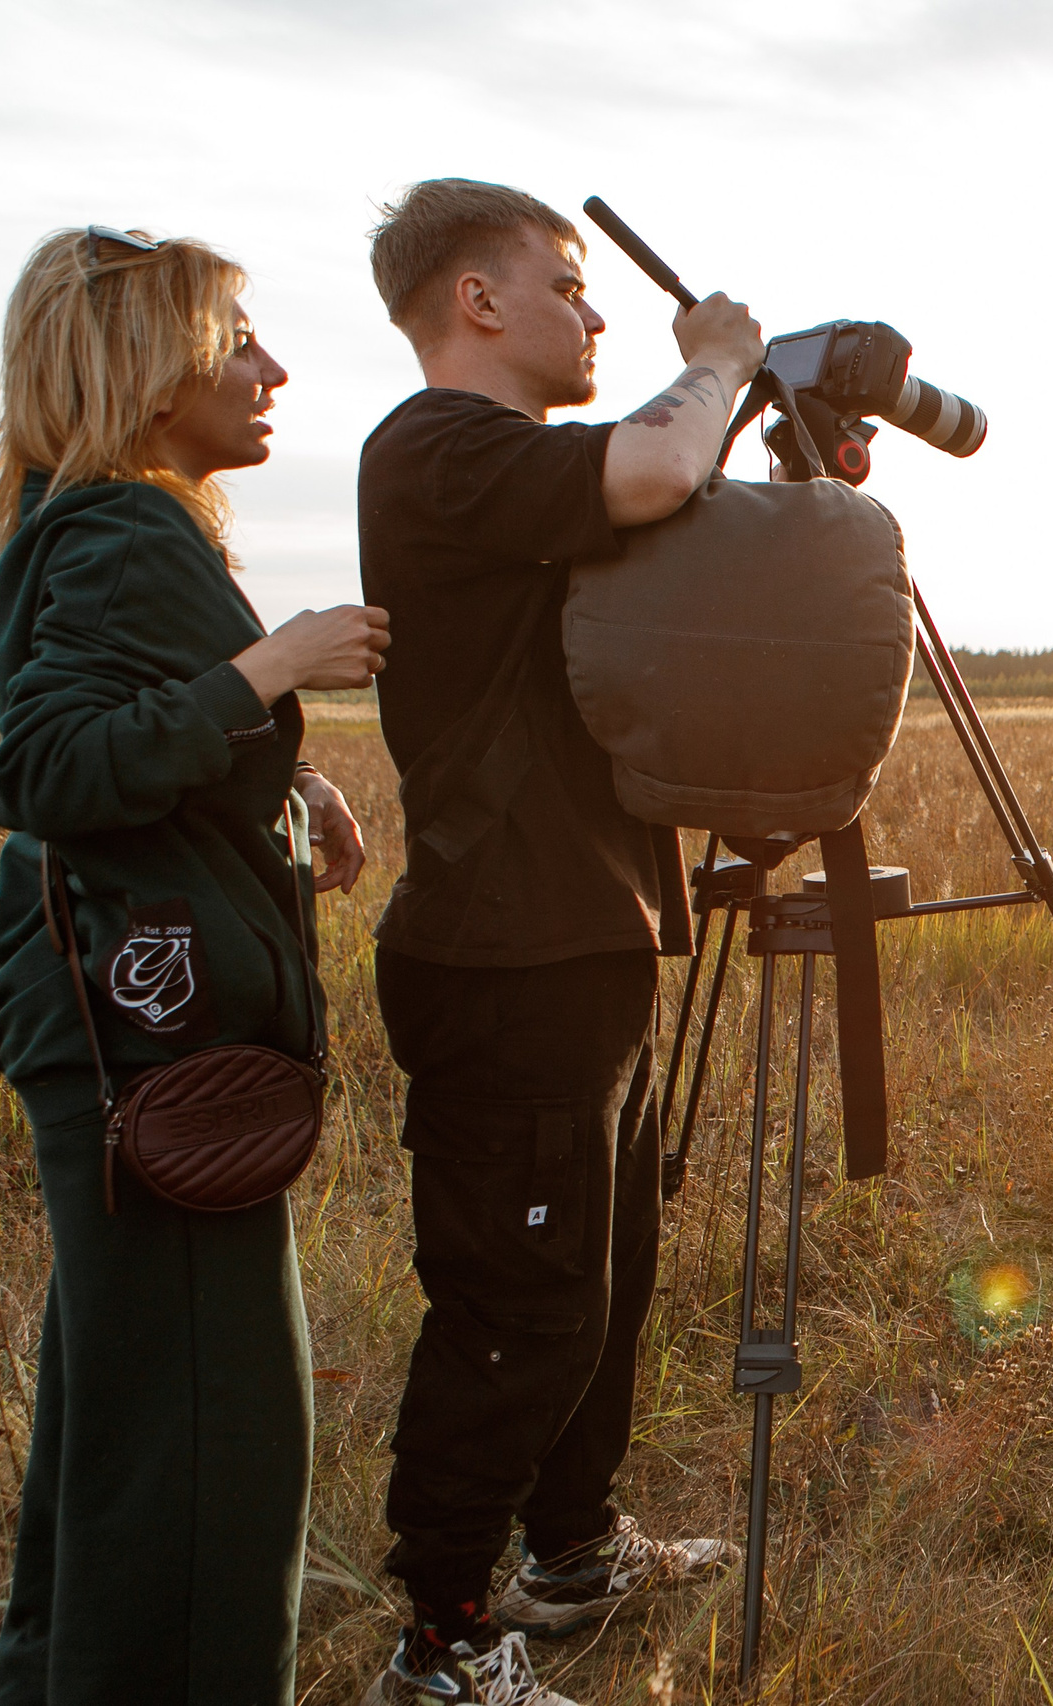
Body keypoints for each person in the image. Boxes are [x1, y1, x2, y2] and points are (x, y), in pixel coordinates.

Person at [355, 179, 762, 1703]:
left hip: (582, 935)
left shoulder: (514, 475)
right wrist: (716, 355)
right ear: (478, 301)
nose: (598, 316)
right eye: (573, 286)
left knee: (605, 1273)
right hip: (505, 949)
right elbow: (659, 461)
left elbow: (673, 515)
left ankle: (571, 1550)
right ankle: (444, 1640)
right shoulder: (442, 450)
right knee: (521, 1304)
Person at [0, 226, 389, 1703]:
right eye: (236, 345)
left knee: (123, 1428)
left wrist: (286, 787)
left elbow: (131, 745)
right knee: (211, 1456)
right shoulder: (114, 531)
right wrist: (270, 670)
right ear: (148, 374)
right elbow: (55, 766)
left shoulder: (90, 516)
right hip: (147, 1053)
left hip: (113, 1034)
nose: (272, 368)